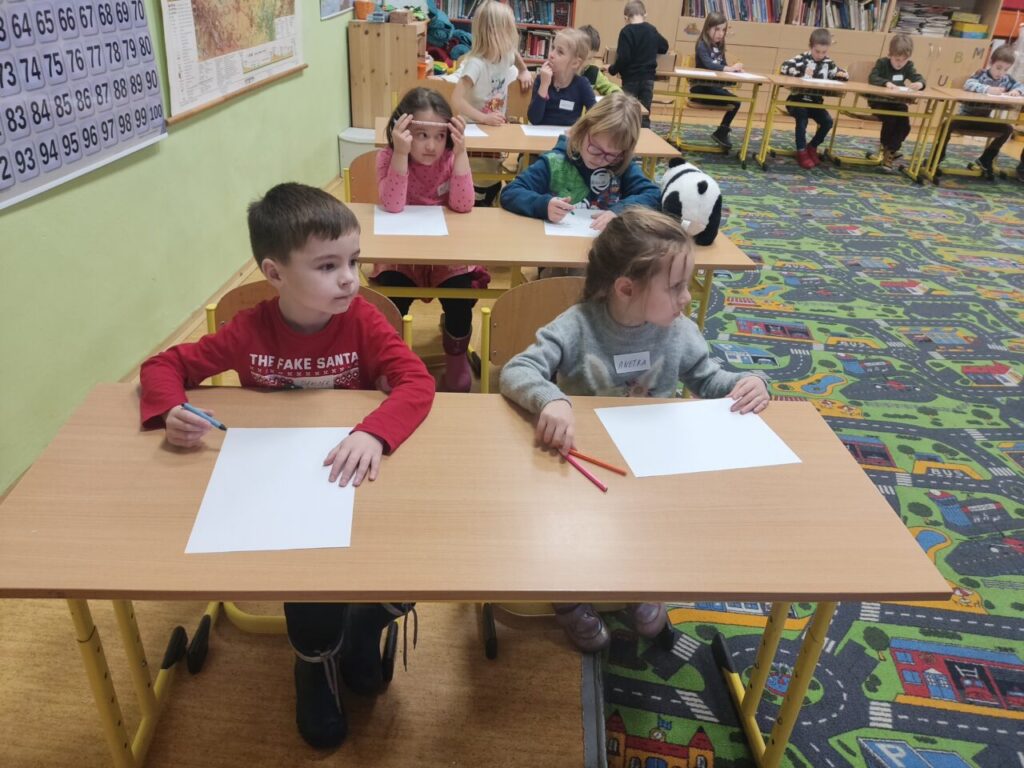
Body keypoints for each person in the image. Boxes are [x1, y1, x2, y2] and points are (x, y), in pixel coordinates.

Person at [138, 183, 435, 750]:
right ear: (275, 273)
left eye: (354, 261)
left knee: (412, 555)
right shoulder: (250, 330)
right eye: (327, 266)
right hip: (282, 479)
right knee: (308, 572)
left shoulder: (363, 321)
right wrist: (171, 409)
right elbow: (163, 366)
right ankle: (315, 660)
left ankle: (364, 627)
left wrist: (373, 431)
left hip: (353, 469)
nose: (349, 279)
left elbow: (417, 382)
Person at [499, 208, 770, 651]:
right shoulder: (578, 326)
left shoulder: (679, 332)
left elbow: (710, 380)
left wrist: (749, 383)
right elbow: (518, 370)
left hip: (649, 461)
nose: (687, 298)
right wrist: (551, 398)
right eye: (676, 287)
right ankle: (568, 597)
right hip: (584, 464)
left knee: (655, 525)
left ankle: (642, 584)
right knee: (569, 532)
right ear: (626, 288)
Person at [375, 87, 485, 392]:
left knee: (460, 297)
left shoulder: (450, 158)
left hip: (445, 252)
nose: (431, 146)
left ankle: (457, 358)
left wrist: (460, 153)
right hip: (402, 253)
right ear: (402, 131)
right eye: (421, 135)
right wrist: (400, 153)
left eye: (439, 136)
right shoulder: (388, 157)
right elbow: (393, 205)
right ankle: (391, 359)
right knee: (392, 296)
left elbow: (463, 204)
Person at [500, 92, 660, 234]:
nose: (600, 159)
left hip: (605, 249)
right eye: (595, 149)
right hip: (556, 249)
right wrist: (543, 205)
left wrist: (619, 211)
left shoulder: (620, 165)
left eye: (611, 154)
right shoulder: (555, 161)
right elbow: (510, 193)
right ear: (582, 130)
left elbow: (653, 194)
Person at [451, 0, 534, 206]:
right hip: (474, 129)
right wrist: (483, 118)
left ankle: (488, 197)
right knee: (477, 174)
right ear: (494, 33)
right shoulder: (476, 64)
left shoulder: (505, 55)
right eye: (509, 29)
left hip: (494, 126)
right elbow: (456, 99)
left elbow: (514, 54)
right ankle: (476, 200)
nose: (513, 36)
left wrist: (524, 70)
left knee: (493, 169)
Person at [936, 45, 1024, 179]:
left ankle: (985, 159)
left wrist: (1016, 91)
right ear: (991, 63)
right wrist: (987, 89)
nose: (1001, 73)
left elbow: (1021, 86)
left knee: (1007, 129)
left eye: (1005, 70)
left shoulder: (1006, 79)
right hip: (965, 118)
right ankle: (937, 157)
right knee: (947, 125)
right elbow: (968, 84)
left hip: (984, 120)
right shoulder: (980, 74)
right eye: (998, 68)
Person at [779, 28, 848, 169]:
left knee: (827, 122)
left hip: (815, 103)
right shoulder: (801, 59)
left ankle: (812, 147)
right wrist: (800, 73)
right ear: (811, 46)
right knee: (802, 117)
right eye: (817, 51)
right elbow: (784, 67)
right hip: (796, 101)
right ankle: (801, 151)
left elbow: (839, 73)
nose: (820, 55)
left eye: (824, 52)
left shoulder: (828, 63)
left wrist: (842, 75)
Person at [867, 34, 925, 172]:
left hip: (898, 103)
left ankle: (891, 149)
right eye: (897, 59)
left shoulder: (908, 66)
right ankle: (889, 151)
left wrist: (919, 84)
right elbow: (872, 77)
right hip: (880, 102)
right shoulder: (882, 63)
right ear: (890, 54)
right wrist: (886, 83)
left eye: (904, 60)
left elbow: (918, 78)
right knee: (891, 120)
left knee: (905, 125)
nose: (900, 63)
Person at [608, 0, 669, 128]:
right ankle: (645, 133)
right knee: (644, 111)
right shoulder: (651, 30)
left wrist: (612, 69)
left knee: (626, 111)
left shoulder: (626, 32)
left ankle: (626, 134)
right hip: (648, 79)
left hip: (630, 79)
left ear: (626, 18)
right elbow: (664, 47)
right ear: (645, 15)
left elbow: (624, 58)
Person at [692, 12, 743, 151]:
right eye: (717, 29)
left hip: (713, 87)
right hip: (700, 88)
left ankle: (721, 131)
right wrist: (730, 68)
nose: (721, 33)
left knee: (737, 102)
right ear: (707, 28)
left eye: (723, 30)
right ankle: (722, 132)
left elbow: (723, 66)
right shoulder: (702, 45)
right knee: (736, 102)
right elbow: (709, 65)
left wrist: (735, 70)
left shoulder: (719, 46)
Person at [528, 28, 596, 126]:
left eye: (560, 52)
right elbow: (534, 119)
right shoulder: (542, 79)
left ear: (575, 63)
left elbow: (595, 116)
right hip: (540, 134)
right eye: (553, 48)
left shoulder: (582, 84)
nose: (551, 54)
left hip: (568, 135)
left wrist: (581, 128)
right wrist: (544, 86)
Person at [579, 24, 623, 96]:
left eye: (590, 58)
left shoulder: (594, 72)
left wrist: (616, 93)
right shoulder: (565, 70)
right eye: (582, 57)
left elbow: (609, 86)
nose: (588, 62)